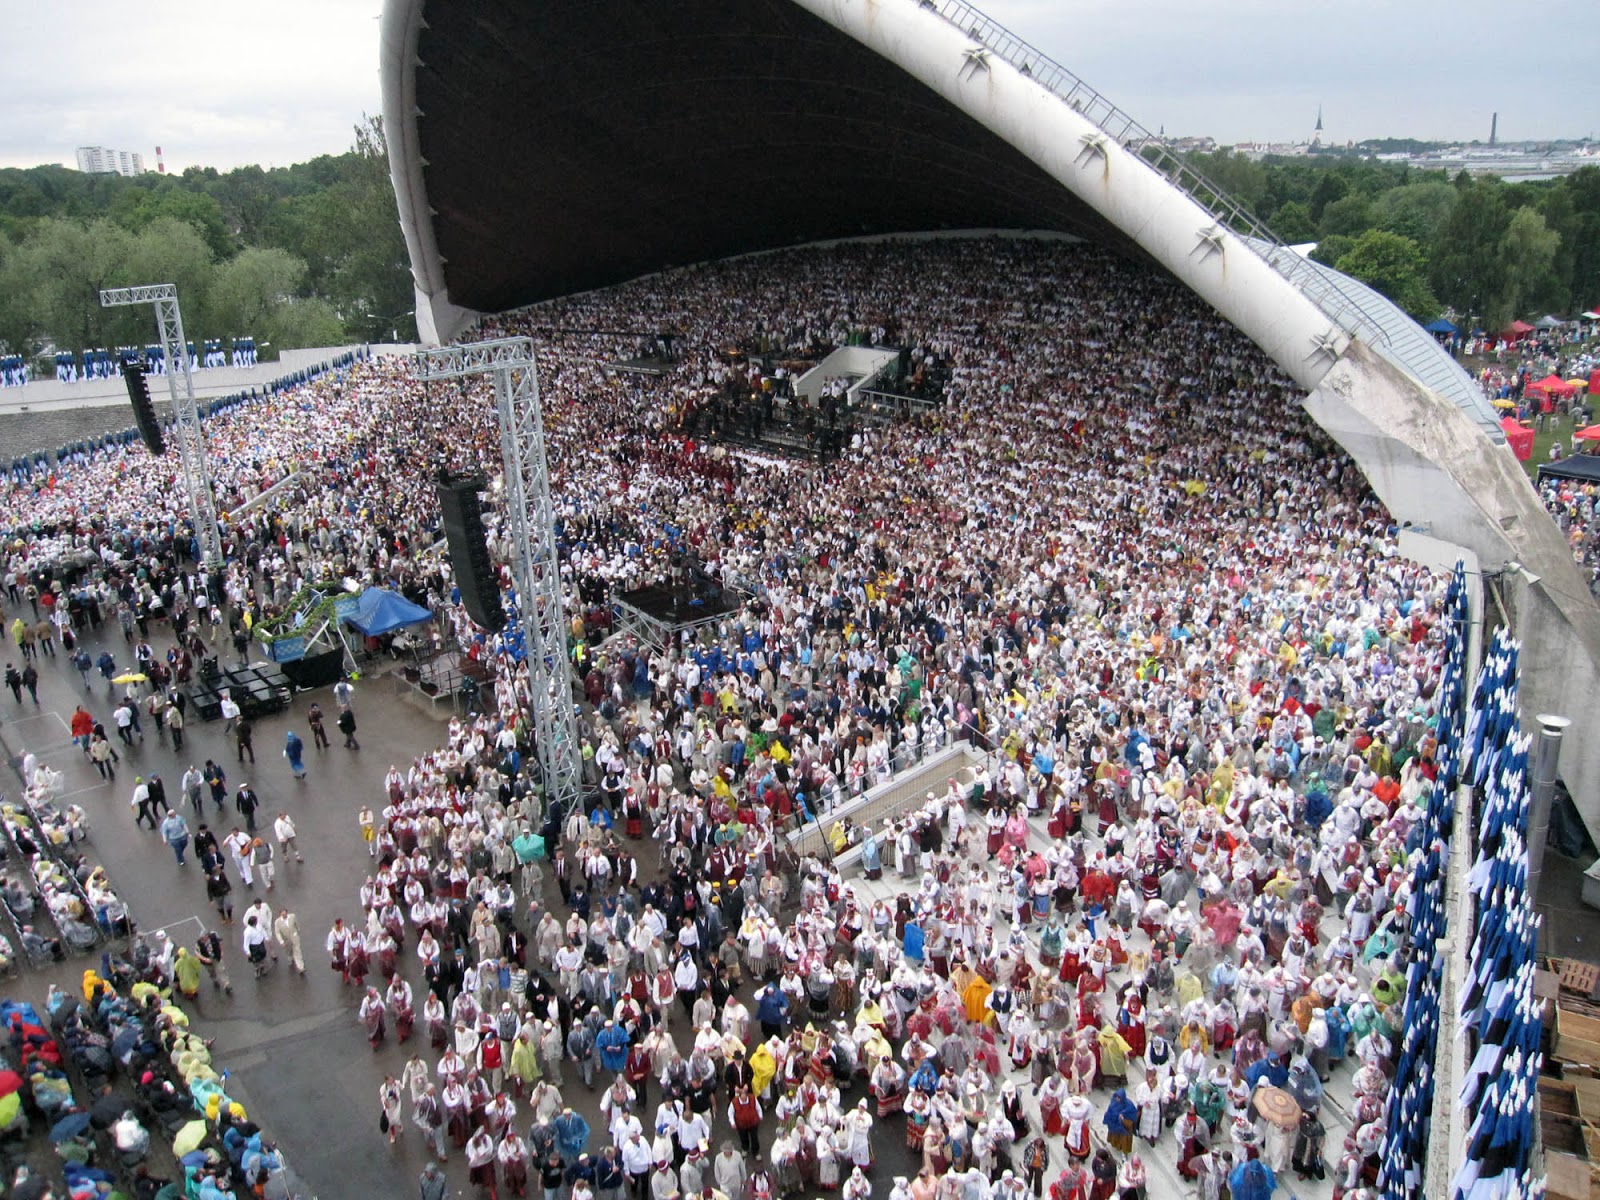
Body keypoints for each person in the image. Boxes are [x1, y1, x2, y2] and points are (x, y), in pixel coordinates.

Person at [274, 909, 306, 974]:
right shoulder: (277, 922)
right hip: (286, 940)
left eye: (285, 914)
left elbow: (296, 924)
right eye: (282, 914)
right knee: (289, 951)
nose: (284, 915)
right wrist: (281, 941)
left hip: (294, 937)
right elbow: (277, 933)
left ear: (287, 913)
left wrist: (298, 930)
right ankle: (290, 956)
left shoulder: (292, 916)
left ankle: (300, 967)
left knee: (297, 951)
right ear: (280, 914)